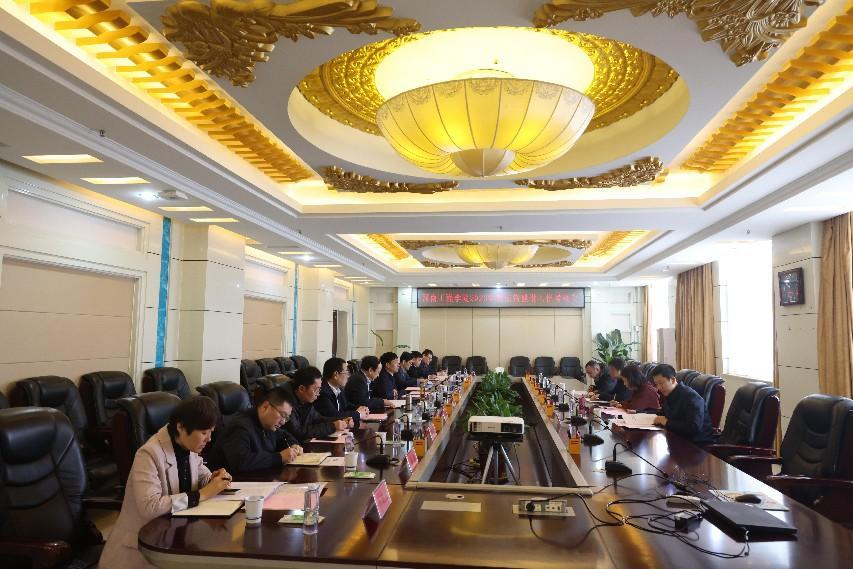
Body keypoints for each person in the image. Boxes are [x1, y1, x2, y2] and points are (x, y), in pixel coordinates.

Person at [100, 396, 230, 569]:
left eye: (211, 432)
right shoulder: (148, 454)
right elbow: (150, 507)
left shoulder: (188, 445)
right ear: (181, 427)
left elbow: (200, 473)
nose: (209, 439)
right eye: (204, 433)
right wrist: (203, 494)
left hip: (176, 535)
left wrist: (214, 479)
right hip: (142, 548)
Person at [205, 386, 303, 474]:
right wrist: (279, 457)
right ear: (265, 406)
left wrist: (293, 445)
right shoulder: (240, 427)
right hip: (231, 483)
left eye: (287, 418)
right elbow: (240, 462)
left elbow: (284, 436)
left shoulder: (269, 424)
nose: (283, 422)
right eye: (283, 415)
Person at [281, 366, 351, 442]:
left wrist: (342, 420)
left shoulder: (305, 399)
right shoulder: (285, 403)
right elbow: (298, 432)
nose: (318, 394)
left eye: (319, 389)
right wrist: (332, 426)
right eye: (316, 390)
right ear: (301, 389)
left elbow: (318, 419)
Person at [650, 364, 713, 443]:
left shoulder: (691, 397)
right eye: (656, 384)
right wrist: (639, 412)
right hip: (677, 438)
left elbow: (693, 428)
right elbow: (661, 413)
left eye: (661, 383)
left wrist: (666, 422)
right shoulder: (670, 394)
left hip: (695, 444)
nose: (658, 388)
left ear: (673, 380)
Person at [316, 357, 369, 427]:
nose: (348, 376)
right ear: (336, 375)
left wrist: (360, 408)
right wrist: (358, 414)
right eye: (346, 373)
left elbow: (346, 406)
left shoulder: (339, 389)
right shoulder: (322, 392)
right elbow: (333, 415)